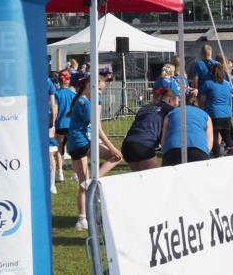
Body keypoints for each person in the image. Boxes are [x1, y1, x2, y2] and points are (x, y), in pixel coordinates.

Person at [66, 74, 123, 230]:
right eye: (98, 85)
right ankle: (82, 218)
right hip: (79, 143)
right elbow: (97, 128)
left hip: (83, 142)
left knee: (86, 183)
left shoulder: (86, 100)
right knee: (84, 184)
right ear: (89, 85)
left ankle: (83, 215)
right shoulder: (84, 102)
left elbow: (95, 126)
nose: (101, 88)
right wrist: (111, 147)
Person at [122, 81, 179, 171]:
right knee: (156, 181)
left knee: (139, 180)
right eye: (176, 103)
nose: (175, 106)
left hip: (127, 144)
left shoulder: (144, 108)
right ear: (170, 99)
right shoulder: (169, 109)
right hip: (144, 144)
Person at [161, 94, 213, 166]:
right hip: (199, 150)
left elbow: (163, 139)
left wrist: (165, 152)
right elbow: (210, 142)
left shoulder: (170, 113)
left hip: (172, 150)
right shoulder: (205, 115)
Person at [201, 62, 233, 156]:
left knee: (214, 137)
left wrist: (203, 111)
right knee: (227, 137)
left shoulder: (207, 84)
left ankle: (216, 157)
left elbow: (203, 100)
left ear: (212, 72)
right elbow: (231, 95)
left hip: (213, 114)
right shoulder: (227, 84)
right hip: (226, 114)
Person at [53, 70, 75, 176]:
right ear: (68, 80)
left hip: (60, 125)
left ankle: (60, 172)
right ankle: (75, 173)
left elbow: (55, 110)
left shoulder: (56, 94)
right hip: (71, 124)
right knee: (74, 148)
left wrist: (52, 123)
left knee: (59, 148)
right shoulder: (73, 94)